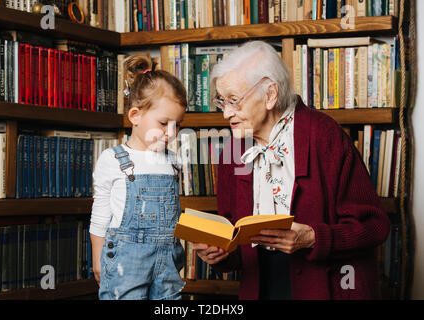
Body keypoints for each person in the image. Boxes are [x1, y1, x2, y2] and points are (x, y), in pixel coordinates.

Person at [193, 41, 391, 300]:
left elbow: (375, 227)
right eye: (222, 102)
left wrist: (312, 238)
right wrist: (220, 254)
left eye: (234, 101)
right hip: (261, 287)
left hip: (325, 288)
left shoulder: (324, 135)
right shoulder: (233, 150)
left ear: (270, 94)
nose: (226, 114)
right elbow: (236, 243)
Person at [90, 53, 187, 300]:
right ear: (135, 115)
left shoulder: (172, 162)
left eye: (177, 125)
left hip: (168, 262)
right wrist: (98, 258)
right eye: (164, 123)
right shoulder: (113, 160)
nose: (171, 132)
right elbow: (101, 215)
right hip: (126, 264)